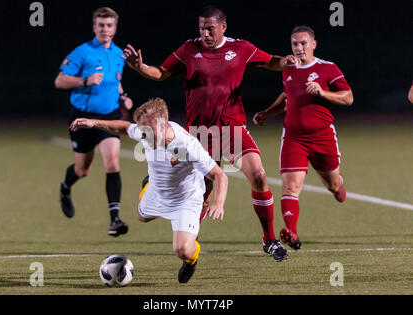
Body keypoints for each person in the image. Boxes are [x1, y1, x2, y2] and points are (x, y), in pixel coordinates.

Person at [121, 5, 299, 261]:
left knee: (259, 175)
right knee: (201, 198)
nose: (204, 33)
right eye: (201, 28)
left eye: (210, 28)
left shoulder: (241, 48)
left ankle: (269, 240)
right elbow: (161, 73)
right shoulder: (189, 50)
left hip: (232, 130)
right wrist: (140, 67)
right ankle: (189, 251)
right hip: (200, 135)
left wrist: (286, 62)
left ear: (223, 27)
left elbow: (271, 61)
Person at [70, 98, 228, 283]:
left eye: (147, 132)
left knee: (183, 250)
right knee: (142, 217)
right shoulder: (147, 130)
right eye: (141, 131)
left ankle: (192, 261)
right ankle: (148, 185)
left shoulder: (187, 145)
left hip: (185, 199)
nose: (143, 136)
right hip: (157, 190)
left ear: (163, 125)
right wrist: (93, 123)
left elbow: (219, 175)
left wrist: (218, 203)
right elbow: (123, 127)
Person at [253, 25, 354, 250]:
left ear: (314, 44)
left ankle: (337, 185)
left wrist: (322, 92)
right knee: (290, 188)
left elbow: (348, 98)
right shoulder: (288, 69)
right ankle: (292, 232)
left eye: (303, 43)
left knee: (333, 186)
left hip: (322, 137)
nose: (299, 48)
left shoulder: (328, 68)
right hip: (293, 138)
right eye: (295, 44)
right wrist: (267, 113)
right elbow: (287, 95)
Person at [54, 7, 133, 237]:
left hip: (109, 117)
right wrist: (85, 80)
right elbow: (59, 81)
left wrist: (123, 96)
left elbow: (115, 83)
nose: (105, 29)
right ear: (94, 27)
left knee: (112, 162)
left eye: (109, 25)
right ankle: (66, 188)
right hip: (82, 118)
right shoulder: (82, 52)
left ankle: (115, 220)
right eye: (101, 25)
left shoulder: (120, 54)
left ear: (115, 28)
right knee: (83, 169)